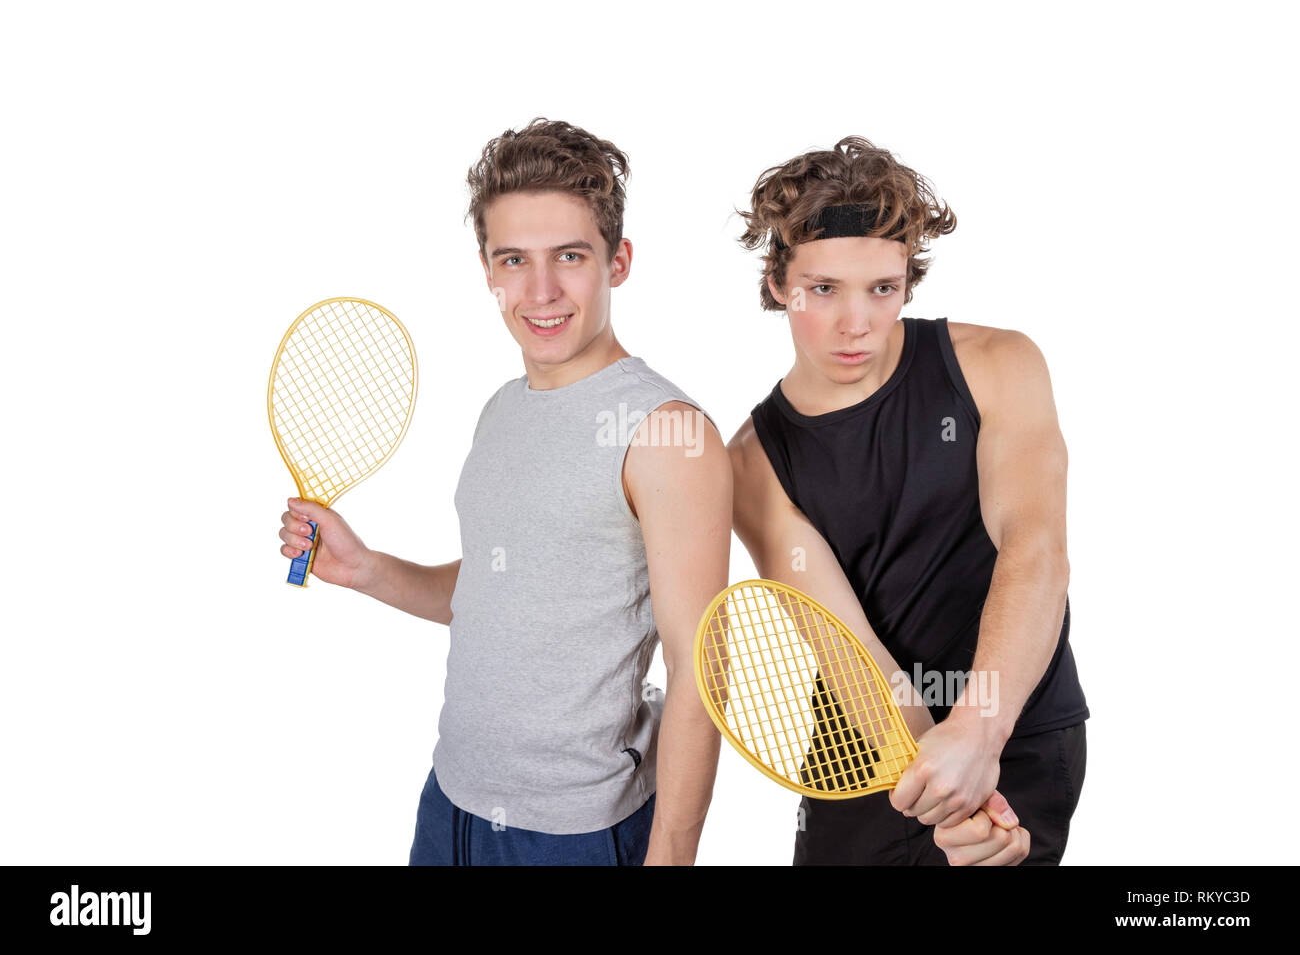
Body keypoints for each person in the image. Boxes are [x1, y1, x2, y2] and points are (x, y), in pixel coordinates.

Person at [277, 118, 730, 865]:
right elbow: (501, 592)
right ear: (487, 269)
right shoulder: (503, 406)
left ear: (618, 262)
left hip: (575, 834)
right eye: (514, 259)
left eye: (570, 257)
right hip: (449, 801)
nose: (541, 290)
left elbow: (700, 671)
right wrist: (365, 570)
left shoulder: (666, 434)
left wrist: (671, 860)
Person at [727, 136, 1089, 865]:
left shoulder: (996, 365)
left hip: (1017, 729)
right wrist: (943, 780)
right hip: (867, 747)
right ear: (778, 283)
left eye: (882, 290)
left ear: (907, 283)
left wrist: (979, 737)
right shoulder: (754, 462)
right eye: (823, 289)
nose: (855, 322)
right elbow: (849, 647)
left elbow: (1036, 549)